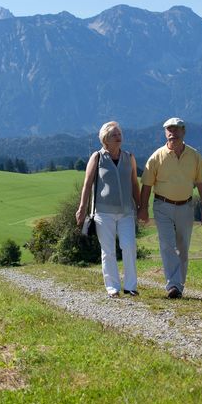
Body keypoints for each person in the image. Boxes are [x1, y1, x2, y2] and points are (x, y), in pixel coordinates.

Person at [138, 117, 202, 299]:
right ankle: (173, 286)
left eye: (176, 130)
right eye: (169, 130)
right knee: (167, 245)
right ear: (165, 133)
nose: (173, 133)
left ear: (183, 132)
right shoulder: (156, 157)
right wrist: (143, 208)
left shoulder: (194, 156)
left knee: (183, 248)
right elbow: (146, 185)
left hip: (186, 206)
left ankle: (179, 285)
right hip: (162, 206)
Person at [76, 121, 141, 298]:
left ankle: (131, 286)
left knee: (129, 247)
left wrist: (141, 206)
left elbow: (135, 183)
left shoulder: (129, 157)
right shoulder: (97, 157)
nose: (118, 137)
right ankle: (112, 287)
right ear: (105, 138)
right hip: (103, 212)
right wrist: (82, 208)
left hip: (126, 211)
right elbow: (87, 184)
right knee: (108, 250)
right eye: (114, 135)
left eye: (119, 134)